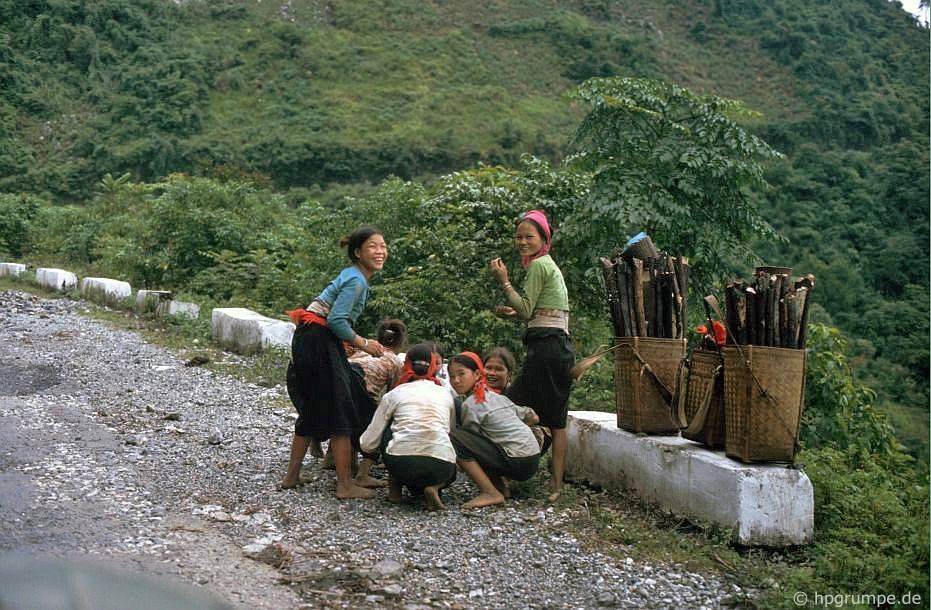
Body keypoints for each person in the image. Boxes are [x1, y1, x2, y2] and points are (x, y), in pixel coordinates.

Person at [281, 226, 388, 499]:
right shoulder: (357, 281)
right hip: (319, 340)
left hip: (310, 338)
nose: (380, 252)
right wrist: (364, 343)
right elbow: (337, 320)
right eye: (373, 247)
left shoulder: (352, 276)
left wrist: (347, 339)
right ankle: (344, 484)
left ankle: (292, 477)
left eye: (383, 246)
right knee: (341, 406)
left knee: (315, 406)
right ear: (357, 252)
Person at [490, 209, 575, 502]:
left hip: (547, 350)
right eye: (519, 237)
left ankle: (503, 473)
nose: (522, 242)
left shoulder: (539, 266)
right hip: (557, 347)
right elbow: (539, 311)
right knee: (557, 418)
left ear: (543, 238)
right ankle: (555, 486)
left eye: (529, 236)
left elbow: (527, 309)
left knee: (509, 404)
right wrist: (516, 312)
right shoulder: (547, 265)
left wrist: (504, 281)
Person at [359, 343, 457, 511]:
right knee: (442, 445)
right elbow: (451, 431)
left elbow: (368, 442)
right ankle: (434, 487)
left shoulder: (394, 394)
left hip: (401, 463)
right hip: (442, 466)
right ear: (433, 366)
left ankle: (395, 491)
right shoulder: (445, 394)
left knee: (390, 427)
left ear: (407, 364)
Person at [447, 351, 541, 509]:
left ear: (477, 374)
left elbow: (471, 445)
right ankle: (500, 489)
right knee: (487, 440)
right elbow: (533, 417)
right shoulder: (496, 397)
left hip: (517, 460)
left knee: (456, 439)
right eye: (451, 376)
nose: (456, 381)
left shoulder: (471, 404)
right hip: (532, 458)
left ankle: (490, 492)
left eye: (461, 374)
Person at [349, 318, 407, 488]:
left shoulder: (360, 352)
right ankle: (363, 474)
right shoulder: (394, 362)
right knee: (381, 423)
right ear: (401, 342)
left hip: (338, 397)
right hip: (361, 401)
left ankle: (335, 460)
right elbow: (393, 394)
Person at [484, 346, 552, 454]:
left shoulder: (515, 394)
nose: (492, 373)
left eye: (499, 369)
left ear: (509, 375)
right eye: (488, 368)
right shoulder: (481, 395)